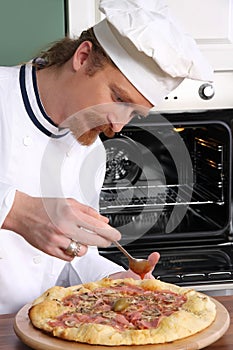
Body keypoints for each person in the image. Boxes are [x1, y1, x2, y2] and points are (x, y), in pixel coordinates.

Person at [0, 0, 213, 314]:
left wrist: (113, 281)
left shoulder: (92, 154)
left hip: (27, 330)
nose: (116, 125)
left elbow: (69, 258)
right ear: (83, 57)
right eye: (118, 99)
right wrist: (15, 211)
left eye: (133, 115)